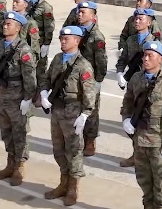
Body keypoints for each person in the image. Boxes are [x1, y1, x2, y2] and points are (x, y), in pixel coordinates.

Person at [40, 25, 98, 205]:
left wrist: (85, 115)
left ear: (77, 41)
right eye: (61, 38)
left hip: (73, 114)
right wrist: (43, 92)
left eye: (67, 38)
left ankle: (73, 188)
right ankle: (63, 183)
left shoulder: (83, 65)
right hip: (56, 111)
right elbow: (47, 79)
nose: (63, 41)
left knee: (73, 151)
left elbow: (89, 93)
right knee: (58, 149)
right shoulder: (58, 58)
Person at [121, 40, 162, 209]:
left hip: (157, 142)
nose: (146, 59)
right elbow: (128, 100)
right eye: (144, 55)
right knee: (144, 180)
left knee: (160, 183)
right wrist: (126, 118)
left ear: (161, 59)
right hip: (139, 139)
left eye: (150, 56)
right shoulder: (136, 78)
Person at [0, 11, 37, 187]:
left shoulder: (24, 49)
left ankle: (19, 167)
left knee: (19, 133)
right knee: (6, 131)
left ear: (18, 28)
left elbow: (30, 77)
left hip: (18, 98)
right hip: (4, 95)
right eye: (4, 23)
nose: (5, 26)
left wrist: (28, 98)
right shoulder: (1, 44)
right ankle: (10, 164)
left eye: (9, 24)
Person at [116, 7, 157, 168]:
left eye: (141, 19)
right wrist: (120, 73)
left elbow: (159, 67)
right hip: (133, 85)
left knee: (147, 121)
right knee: (129, 117)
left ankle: (149, 156)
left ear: (149, 22)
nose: (137, 21)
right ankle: (136, 154)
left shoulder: (153, 43)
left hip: (148, 87)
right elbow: (123, 59)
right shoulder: (130, 40)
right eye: (136, 19)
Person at [75, 0, 107, 157]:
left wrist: (98, 80)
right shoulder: (75, 31)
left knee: (91, 111)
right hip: (75, 77)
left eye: (83, 12)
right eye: (79, 12)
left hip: (90, 78)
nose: (79, 15)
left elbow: (101, 61)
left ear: (92, 16)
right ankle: (78, 139)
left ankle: (90, 140)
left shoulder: (96, 36)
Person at [28, 0, 56, 98]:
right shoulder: (27, 4)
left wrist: (46, 43)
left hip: (39, 42)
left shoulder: (46, 7)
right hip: (27, 41)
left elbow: (49, 26)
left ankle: (39, 95)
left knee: (40, 69)